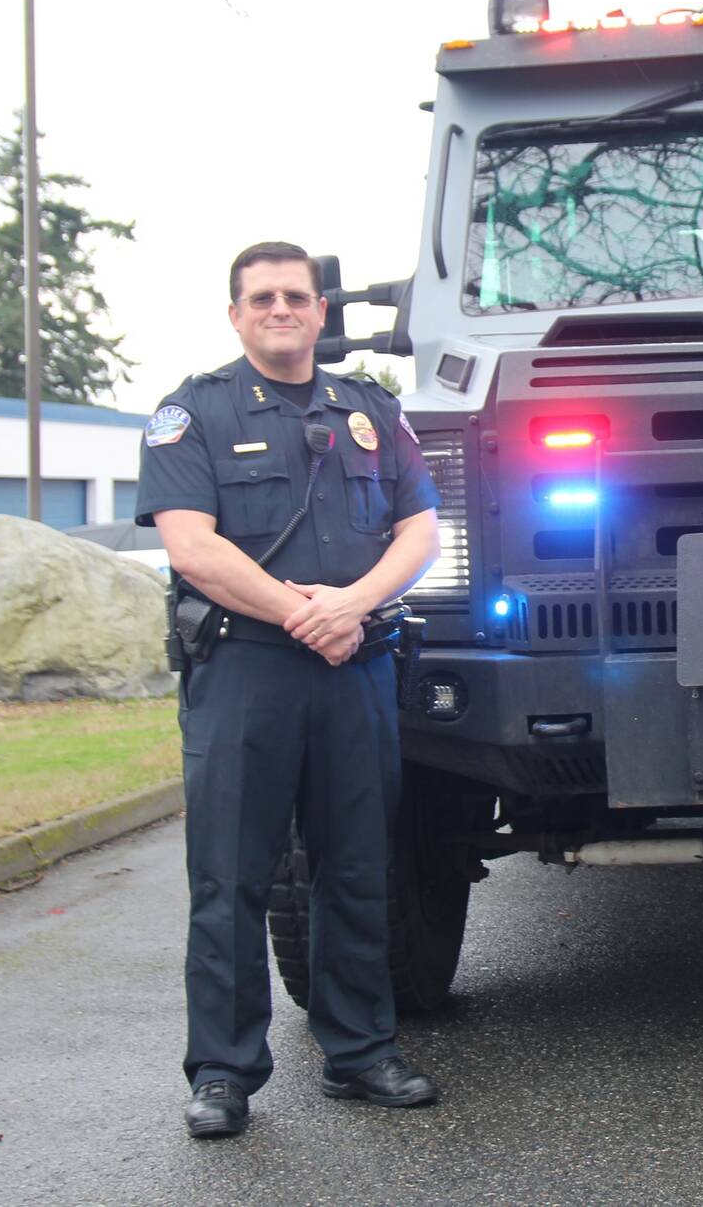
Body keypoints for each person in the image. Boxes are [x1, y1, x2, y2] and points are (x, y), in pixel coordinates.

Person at [137, 240, 443, 1139]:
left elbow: (419, 527)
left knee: (356, 865)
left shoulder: (372, 411)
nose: (281, 308)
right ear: (235, 314)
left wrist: (351, 604)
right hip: (245, 671)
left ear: (321, 312)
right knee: (229, 874)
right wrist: (302, 613)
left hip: (356, 667)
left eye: (297, 296)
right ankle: (224, 1073)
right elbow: (191, 545)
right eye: (262, 296)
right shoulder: (191, 413)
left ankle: (360, 1051)